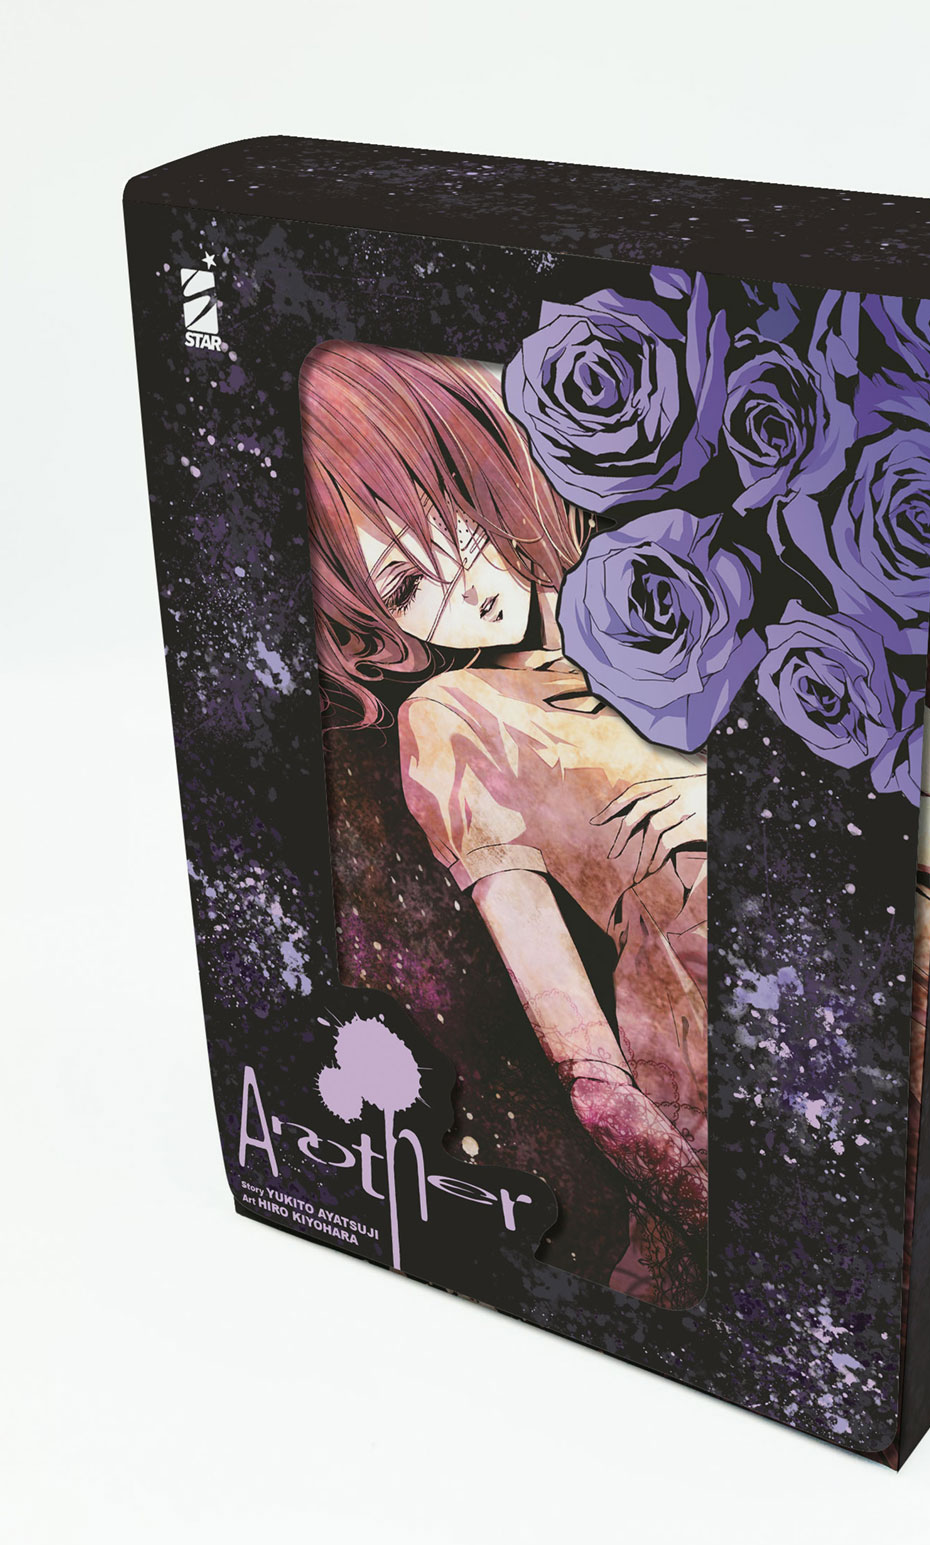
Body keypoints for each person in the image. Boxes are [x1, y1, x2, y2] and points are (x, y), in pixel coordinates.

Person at [301, 341, 709, 1305]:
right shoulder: (454, 718)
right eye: (406, 589)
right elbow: (591, 1076)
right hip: (703, 1043)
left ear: (479, 453)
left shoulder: (665, 573)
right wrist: (699, 1192)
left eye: (443, 508)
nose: (458, 582)